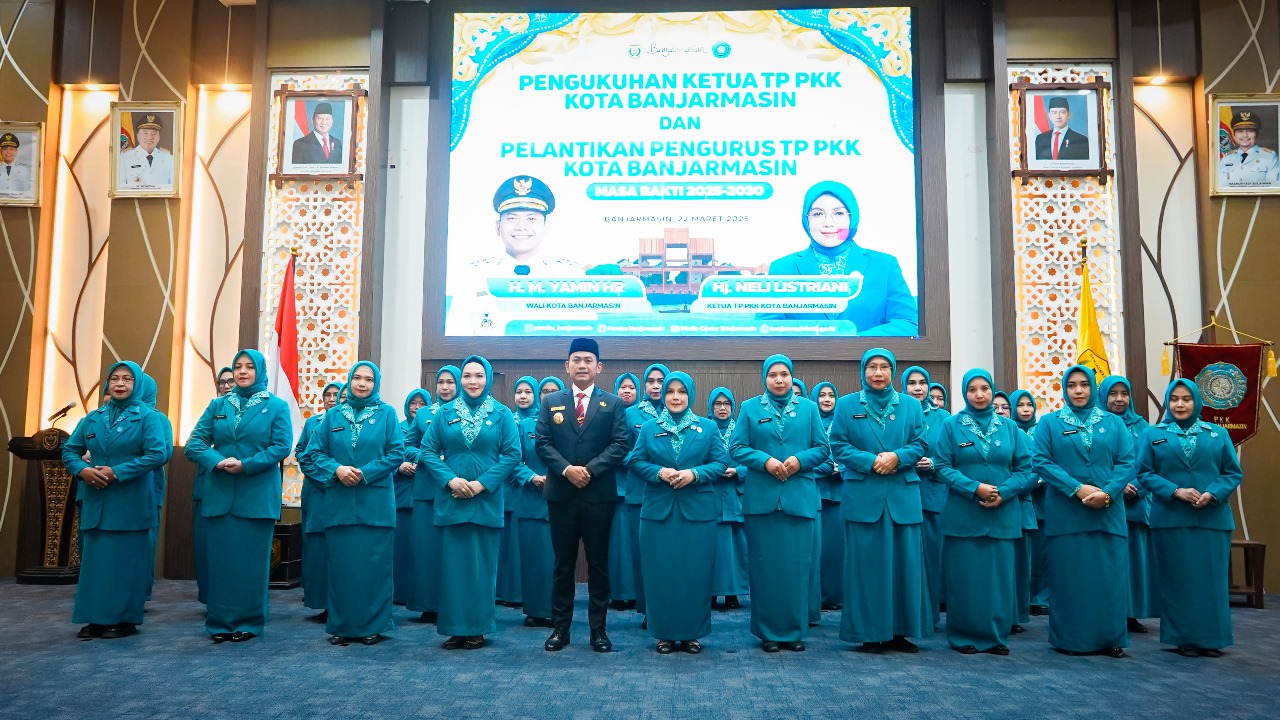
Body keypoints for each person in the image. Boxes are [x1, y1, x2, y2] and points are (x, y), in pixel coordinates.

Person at [185, 349, 292, 642]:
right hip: (219, 494)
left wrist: (246, 465)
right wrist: (218, 461)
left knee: (251, 563)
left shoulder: (277, 406)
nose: (243, 371)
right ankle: (219, 622)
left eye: (249, 367)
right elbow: (194, 443)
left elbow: (282, 446)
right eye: (238, 366)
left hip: (256, 495)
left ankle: (248, 622)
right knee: (220, 563)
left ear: (260, 371)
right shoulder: (218, 405)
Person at [830, 349, 931, 653]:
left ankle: (900, 632)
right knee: (867, 568)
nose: (878, 372)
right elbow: (838, 445)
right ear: (863, 371)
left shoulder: (911, 405)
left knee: (904, 566)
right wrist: (872, 461)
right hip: (864, 495)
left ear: (893, 371)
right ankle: (870, 633)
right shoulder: (847, 404)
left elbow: (921, 443)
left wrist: (897, 457)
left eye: (884, 367)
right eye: (872, 367)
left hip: (902, 495)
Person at [535, 338, 632, 653]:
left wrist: (589, 470)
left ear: (598, 367)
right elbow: (542, 443)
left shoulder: (613, 403)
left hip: (598, 495)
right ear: (567, 365)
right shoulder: (551, 401)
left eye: (588, 360)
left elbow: (621, 444)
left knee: (598, 564)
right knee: (563, 565)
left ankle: (598, 631)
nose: (581, 365)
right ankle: (560, 629)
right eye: (576, 359)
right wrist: (566, 470)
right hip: (561, 495)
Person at [1031, 365, 1134, 658]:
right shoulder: (1049, 423)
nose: (1078, 390)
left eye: (1084, 385)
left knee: (1107, 578)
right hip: (1067, 514)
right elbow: (1041, 461)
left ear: (1093, 388)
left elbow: (1126, 462)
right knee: (1070, 579)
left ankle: (1110, 638)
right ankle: (1071, 639)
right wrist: (1077, 488)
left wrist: (1107, 493)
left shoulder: (1114, 423)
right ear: (1064, 389)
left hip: (1107, 512)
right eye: (1072, 385)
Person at [298, 362, 404, 646]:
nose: (362, 383)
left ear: (376, 383)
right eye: (357, 378)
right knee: (342, 569)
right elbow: (313, 453)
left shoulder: (387, 414)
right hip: (340, 504)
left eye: (368, 379)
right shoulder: (333, 415)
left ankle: (372, 626)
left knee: (373, 569)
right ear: (349, 381)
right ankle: (343, 626)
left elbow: (397, 453)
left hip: (375, 505)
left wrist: (365, 473)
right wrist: (337, 469)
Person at [63, 361, 170, 639]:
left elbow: (158, 454)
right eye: (114, 378)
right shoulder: (93, 417)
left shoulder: (149, 417)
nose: (120, 384)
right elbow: (70, 450)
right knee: (95, 565)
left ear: (137, 384)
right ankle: (94, 618)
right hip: (96, 499)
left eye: (127, 379)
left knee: (125, 564)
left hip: (130, 499)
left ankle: (123, 620)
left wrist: (117, 472)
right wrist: (82, 470)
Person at [420, 356, 521, 650]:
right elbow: (427, 451)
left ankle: (477, 628)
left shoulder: (502, 414)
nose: (473, 381)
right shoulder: (445, 412)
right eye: (467, 376)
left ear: (488, 379)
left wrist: (481, 484)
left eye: (479, 376)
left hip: (485, 501)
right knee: (453, 569)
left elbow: (513, 455)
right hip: (452, 499)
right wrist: (450, 480)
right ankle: (455, 628)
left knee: (481, 569)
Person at [1137, 379, 1243, 658]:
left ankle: (1212, 638)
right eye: (1174, 399)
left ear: (1197, 401)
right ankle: (1183, 638)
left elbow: (1232, 472)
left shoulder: (1217, 434)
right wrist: (1175, 491)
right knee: (1178, 581)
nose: (1180, 404)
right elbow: (1144, 473)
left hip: (1212, 519)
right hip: (1171, 519)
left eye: (1186, 399)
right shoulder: (1153, 434)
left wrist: (1213, 493)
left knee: (1211, 582)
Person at [730, 354, 829, 652]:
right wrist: (765, 461)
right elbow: (737, 447)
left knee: (797, 568)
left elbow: (822, 448)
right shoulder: (749, 408)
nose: (779, 379)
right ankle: (768, 633)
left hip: (799, 498)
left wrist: (799, 460)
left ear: (792, 377)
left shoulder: (809, 408)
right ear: (765, 378)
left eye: (784, 374)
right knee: (765, 568)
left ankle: (794, 632)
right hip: (762, 501)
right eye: (773, 375)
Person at [933, 369, 1037, 655]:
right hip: (964, 514)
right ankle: (963, 635)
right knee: (966, 579)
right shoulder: (952, 425)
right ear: (964, 393)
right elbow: (941, 466)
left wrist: (1003, 492)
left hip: (1002, 514)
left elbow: (1025, 469)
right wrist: (974, 488)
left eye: (984, 389)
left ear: (992, 391)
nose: (979, 395)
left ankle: (995, 636)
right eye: (972, 390)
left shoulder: (1010, 427)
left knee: (997, 580)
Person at [625, 372, 729, 654]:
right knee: (661, 574)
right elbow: (635, 461)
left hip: (698, 514)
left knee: (695, 573)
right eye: (670, 391)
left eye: (681, 391)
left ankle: (692, 633)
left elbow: (720, 463)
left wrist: (694, 474)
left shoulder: (707, 427)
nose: (675, 396)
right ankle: (665, 633)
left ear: (690, 395)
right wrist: (659, 472)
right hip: (658, 514)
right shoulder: (650, 427)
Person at [761, 180, 917, 336]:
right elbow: (765, 330)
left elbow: (908, 323)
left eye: (839, 213)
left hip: (867, 353)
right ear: (806, 219)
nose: (828, 223)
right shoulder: (781, 268)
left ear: (851, 218)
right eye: (818, 214)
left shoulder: (885, 265)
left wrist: (853, 341)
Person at [446, 175, 580, 334]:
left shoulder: (569, 275)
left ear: (546, 227)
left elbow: (582, 339)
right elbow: (455, 338)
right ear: (498, 227)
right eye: (511, 218)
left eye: (531, 218)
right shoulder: (473, 277)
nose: (521, 227)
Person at [1099, 375, 1159, 634]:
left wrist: (1136, 487)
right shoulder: (1097, 425)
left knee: (1134, 561)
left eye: (1124, 393)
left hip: (1136, 504)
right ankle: (1110, 612)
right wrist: (1117, 487)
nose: (1119, 399)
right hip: (1107, 501)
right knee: (1111, 560)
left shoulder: (1143, 427)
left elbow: (1152, 465)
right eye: (1113, 393)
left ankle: (1131, 613)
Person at [405, 365, 461, 623]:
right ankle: (428, 604)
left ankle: (452, 603)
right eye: (441, 382)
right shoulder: (423, 414)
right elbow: (406, 445)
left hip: (457, 488)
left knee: (452, 550)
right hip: (426, 489)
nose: (445, 387)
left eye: (450, 382)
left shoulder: (466, 413)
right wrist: (427, 457)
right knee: (426, 549)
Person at [513, 377, 564, 628]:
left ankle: (559, 611)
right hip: (531, 500)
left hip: (563, 500)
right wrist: (531, 477)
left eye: (554, 391)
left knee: (559, 561)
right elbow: (512, 460)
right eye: (544, 391)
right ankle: (535, 610)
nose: (548, 395)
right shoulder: (524, 426)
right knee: (533, 559)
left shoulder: (571, 424)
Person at [901, 365, 949, 627]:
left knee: (931, 558)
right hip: (902, 492)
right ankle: (906, 616)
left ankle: (928, 617)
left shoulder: (944, 418)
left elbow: (953, 457)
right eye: (911, 383)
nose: (917, 388)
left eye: (922, 383)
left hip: (932, 494)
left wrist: (933, 463)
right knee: (906, 559)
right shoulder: (898, 412)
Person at [622, 363, 670, 622]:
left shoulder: (680, 412)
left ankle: (669, 607)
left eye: (661, 381)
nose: (655, 386)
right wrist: (652, 468)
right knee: (644, 555)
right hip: (640, 492)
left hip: (671, 492)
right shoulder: (631, 414)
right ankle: (649, 610)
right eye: (651, 381)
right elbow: (620, 451)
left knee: (668, 554)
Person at [298, 381, 343, 622]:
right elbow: (303, 453)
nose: (332, 399)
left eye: (337, 395)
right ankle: (319, 599)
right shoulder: (312, 422)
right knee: (317, 546)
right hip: (317, 491)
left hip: (343, 489)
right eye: (328, 395)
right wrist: (326, 479)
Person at [194, 366, 234, 605]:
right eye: (223, 382)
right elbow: (195, 443)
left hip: (241, 485)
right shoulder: (213, 410)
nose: (227, 386)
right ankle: (210, 598)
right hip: (209, 486)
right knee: (206, 546)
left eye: (231, 381)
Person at [707, 387, 749, 610]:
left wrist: (738, 471)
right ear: (711, 406)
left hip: (735, 495)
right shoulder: (704, 428)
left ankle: (733, 592)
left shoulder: (742, 429)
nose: (722, 408)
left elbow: (754, 461)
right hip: (711, 494)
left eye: (726, 404)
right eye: (717, 403)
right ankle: (711, 592)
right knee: (711, 547)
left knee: (736, 547)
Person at [1006, 388, 1046, 624]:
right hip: (1016, 499)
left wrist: (1036, 480)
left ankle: (1039, 599)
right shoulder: (1009, 431)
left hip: (1041, 500)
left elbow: (1043, 462)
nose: (1025, 409)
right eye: (1019, 405)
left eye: (1029, 405)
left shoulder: (1041, 430)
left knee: (1039, 556)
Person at [499, 379, 539, 608]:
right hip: (507, 488)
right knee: (507, 545)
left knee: (524, 545)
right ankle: (506, 592)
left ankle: (523, 593)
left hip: (529, 492)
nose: (523, 396)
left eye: (528, 392)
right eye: (519, 392)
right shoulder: (508, 419)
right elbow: (499, 452)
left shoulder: (541, 422)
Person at [608, 372, 641, 611]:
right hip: (619, 488)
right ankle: (620, 593)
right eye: (623, 387)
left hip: (644, 487)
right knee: (619, 546)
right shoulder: (612, 413)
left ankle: (640, 594)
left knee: (640, 545)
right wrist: (641, 463)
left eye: (631, 387)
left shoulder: (648, 414)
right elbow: (613, 449)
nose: (627, 391)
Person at [395, 388, 431, 606]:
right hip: (400, 493)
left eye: (422, 403)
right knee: (399, 546)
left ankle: (417, 592)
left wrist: (423, 464)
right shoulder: (397, 427)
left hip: (424, 491)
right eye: (413, 403)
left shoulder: (432, 425)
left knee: (421, 548)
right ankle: (399, 592)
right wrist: (399, 467)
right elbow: (386, 454)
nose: (417, 407)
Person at [810, 381, 844, 612]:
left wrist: (842, 466)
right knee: (817, 549)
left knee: (837, 549)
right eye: (822, 395)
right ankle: (816, 597)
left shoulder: (842, 421)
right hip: (815, 490)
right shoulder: (809, 421)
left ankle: (836, 595)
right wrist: (825, 469)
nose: (827, 399)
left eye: (831, 395)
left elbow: (852, 449)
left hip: (841, 493)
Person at [1217, 110, 1280, 187]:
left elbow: (1273, 188)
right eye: (1240, 131)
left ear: (1256, 134)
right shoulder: (1227, 158)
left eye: (1250, 131)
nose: (1245, 135)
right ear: (1234, 136)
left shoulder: (1270, 157)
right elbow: (1220, 188)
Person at [117, 114, 174, 188]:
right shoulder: (125, 158)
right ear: (138, 136)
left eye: (154, 133)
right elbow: (120, 188)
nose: (149, 137)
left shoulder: (169, 159)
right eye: (145, 133)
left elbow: (173, 188)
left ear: (159, 137)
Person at [1035, 96, 1090, 161]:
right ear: (1049, 115)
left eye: (1062, 112)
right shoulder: (1040, 139)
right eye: (1054, 113)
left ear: (1069, 115)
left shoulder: (1081, 140)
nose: (1058, 116)